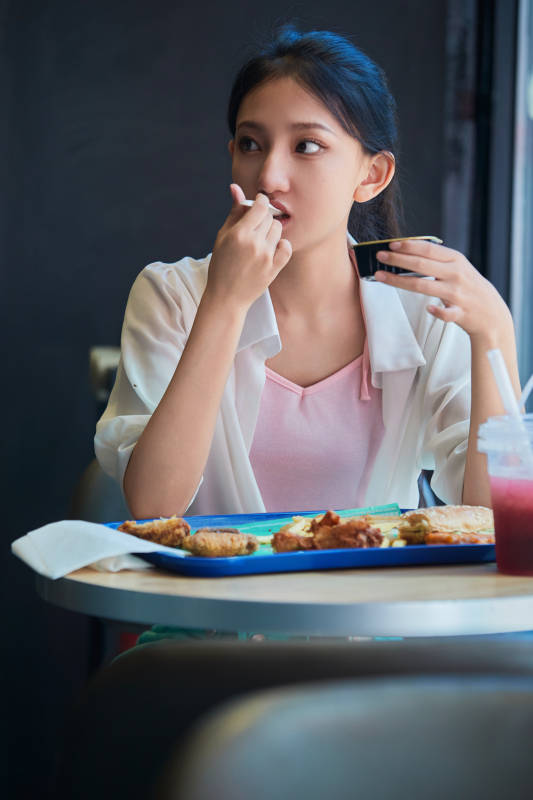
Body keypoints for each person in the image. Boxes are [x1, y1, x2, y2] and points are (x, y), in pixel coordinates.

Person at [95, 24, 521, 520]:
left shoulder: (422, 310)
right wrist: (224, 303)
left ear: (372, 175)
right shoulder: (171, 295)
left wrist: (495, 332)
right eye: (251, 144)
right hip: (213, 576)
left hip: (372, 576)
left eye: (307, 146)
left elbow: (495, 514)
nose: (269, 177)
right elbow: (152, 505)